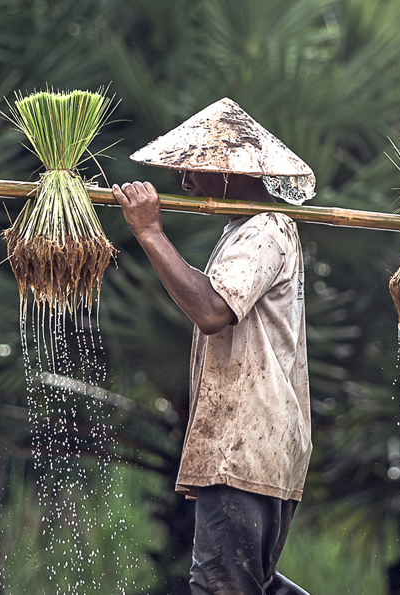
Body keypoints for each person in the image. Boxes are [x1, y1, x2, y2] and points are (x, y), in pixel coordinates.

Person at [111, 98, 315, 595]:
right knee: (248, 584)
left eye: (194, 169)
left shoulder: (266, 229)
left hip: (244, 449)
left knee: (222, 586)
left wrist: (150, 233)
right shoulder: (241, 232)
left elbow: (211, 311)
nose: (184, 184)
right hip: (251, 449)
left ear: (231, 171)